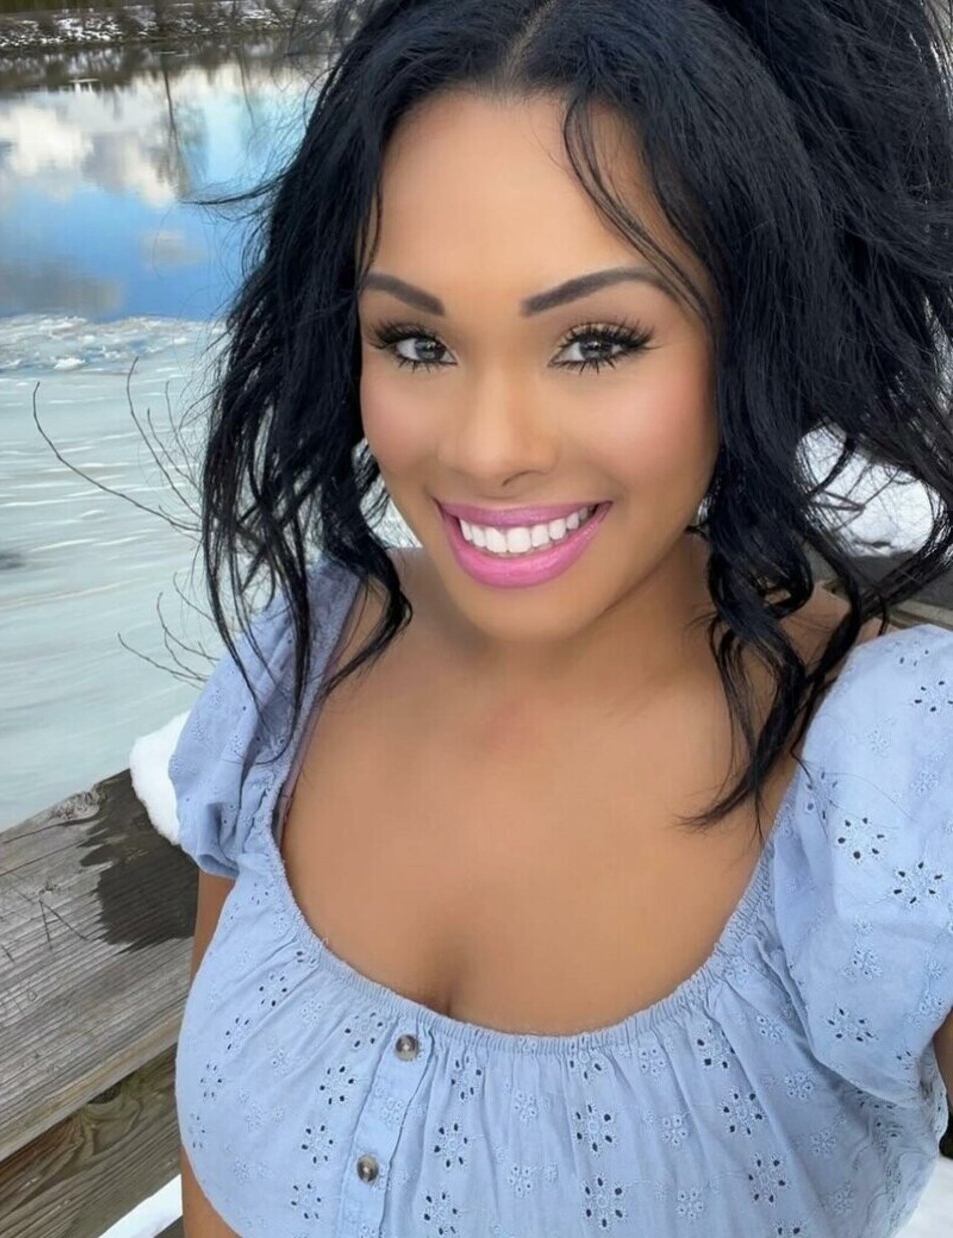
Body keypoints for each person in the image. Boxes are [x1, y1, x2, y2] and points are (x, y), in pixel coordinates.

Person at [170, 1, 953, 1234]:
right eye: (415, 340)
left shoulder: (899, 775)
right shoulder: (301, 664)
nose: (488, 449)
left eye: (595, 341)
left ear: (750, 332)